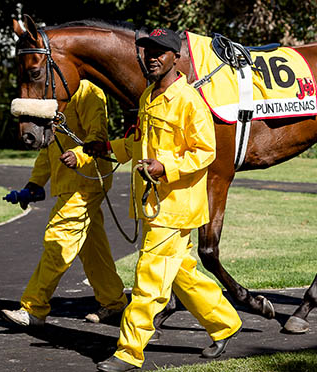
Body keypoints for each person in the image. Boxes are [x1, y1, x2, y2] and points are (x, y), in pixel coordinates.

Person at [80, 28, 242, 372]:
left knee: (149, 279)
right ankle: (225, 323)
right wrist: (108, 148)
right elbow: (139, 143)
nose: (151, 58)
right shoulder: (148, 97)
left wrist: (166, 166)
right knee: (183, 274)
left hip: (175, 207)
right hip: (153, 204)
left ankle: (129, 351)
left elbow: (205, 152)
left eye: (159, 52)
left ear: (174, 57)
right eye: (147, 52)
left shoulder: (189, 101)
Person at [1, 80, 128, 327]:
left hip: (88, 180)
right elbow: (49, 148)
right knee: (92, 248)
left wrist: (79, 155)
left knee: (58, 239)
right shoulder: (53, 96)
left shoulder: (89, 92)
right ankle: (114, 302)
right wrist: (34, 185)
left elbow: (98, 136)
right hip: (68, 183)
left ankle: (34, 307)